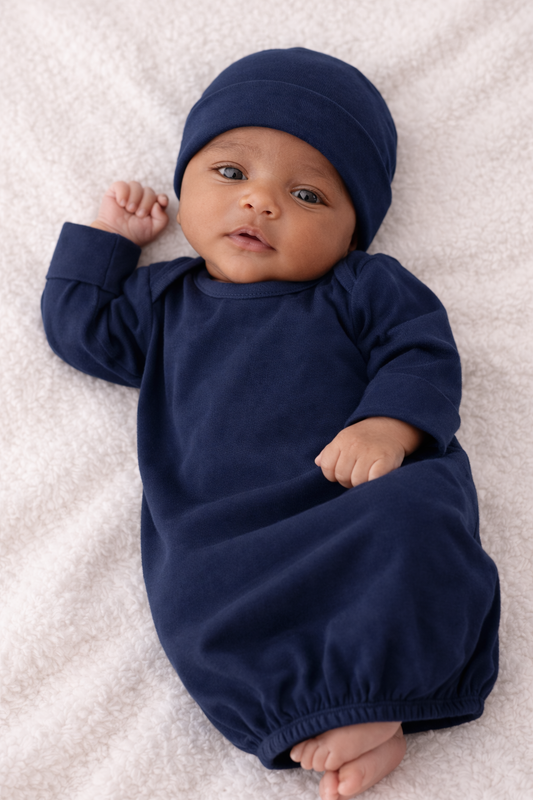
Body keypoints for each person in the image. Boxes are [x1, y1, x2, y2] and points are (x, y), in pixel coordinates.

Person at [41, 48, 500, 799]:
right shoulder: (164, 301)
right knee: (195, 595)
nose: (259, 204)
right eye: (230, 175)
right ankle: (343, 715)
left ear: (354, 231)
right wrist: (111, 241)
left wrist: (389, 426)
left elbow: (421, 351)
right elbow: (78, 330)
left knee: (418, 515)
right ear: (183, 186)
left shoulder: (362, 285)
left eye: (307, 195)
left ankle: (381, 702)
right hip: (225, 532)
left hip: (353, 499)